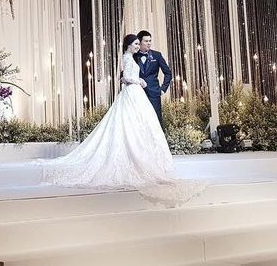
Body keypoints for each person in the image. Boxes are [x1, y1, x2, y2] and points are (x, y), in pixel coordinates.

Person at [39, 34, 205, 206]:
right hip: (133, 93)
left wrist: (156, 87)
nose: (138, 46)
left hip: (143, 93)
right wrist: (138, 80)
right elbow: (125, 76)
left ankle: (151, 158)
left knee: (147, 125)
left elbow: (163, 73)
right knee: (129, 124)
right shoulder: (127, 57)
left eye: (140, 44)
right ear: (129, 45)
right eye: (136, 44)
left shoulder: (144, 56)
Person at [133, 30, 172, 126]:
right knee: (140, 121)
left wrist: (163, 89)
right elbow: (127, 71)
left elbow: (168, 73)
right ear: (140, 42)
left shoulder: (156, 55)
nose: (149, 43)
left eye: (150, 41)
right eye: (146, 41)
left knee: (156, 121)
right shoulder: (133, 56)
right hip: (138, 93)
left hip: (154, 93)